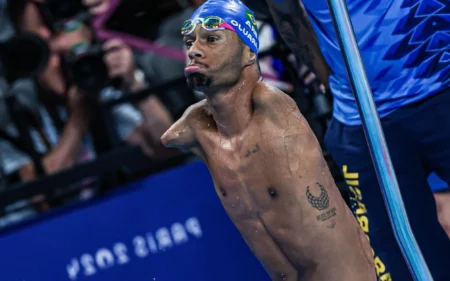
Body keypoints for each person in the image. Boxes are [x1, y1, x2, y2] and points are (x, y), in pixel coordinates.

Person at [161, 0, 376, 280]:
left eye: (212, 39)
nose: (194, 51)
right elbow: (166, 139)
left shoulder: (274, 106)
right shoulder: (199, 128)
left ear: (249, 52)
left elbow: (290, 22)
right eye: (189, 42)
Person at [240, 0, 450, 280]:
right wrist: (337, 88)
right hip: (361, 123)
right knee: (401, 262)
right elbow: (285, 15)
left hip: (442, 90)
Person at [3, 0, 175, 183]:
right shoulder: (18, 107)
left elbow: (166, 149)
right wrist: (78, 118)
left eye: (69, 54)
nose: (61, 62)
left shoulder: (92, 89)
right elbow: (40, 194)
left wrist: (134, 85)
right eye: (49, 53)